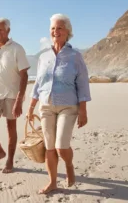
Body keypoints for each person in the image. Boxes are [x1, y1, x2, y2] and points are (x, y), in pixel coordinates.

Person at [27, 13, 91, 194]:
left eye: (60, 28)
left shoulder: (75, 56)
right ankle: (53, 181)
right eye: (53, 28)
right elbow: (38, 83)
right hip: (46, 105)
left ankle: (69, 165)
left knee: (61, 146)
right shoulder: (44, 57)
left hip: (68, 106)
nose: (56, 31)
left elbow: (83, 83)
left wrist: (83, 110)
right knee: (49, 147)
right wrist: (31, 107)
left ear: (67, 31)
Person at [0, 17, 30, 173]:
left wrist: (19, 100)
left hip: (11, 95)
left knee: (11, 127)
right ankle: (0, 152)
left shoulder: (17, 49)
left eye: (0, 29)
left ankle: (9, 160)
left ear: (8, 30)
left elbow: (24, 75)